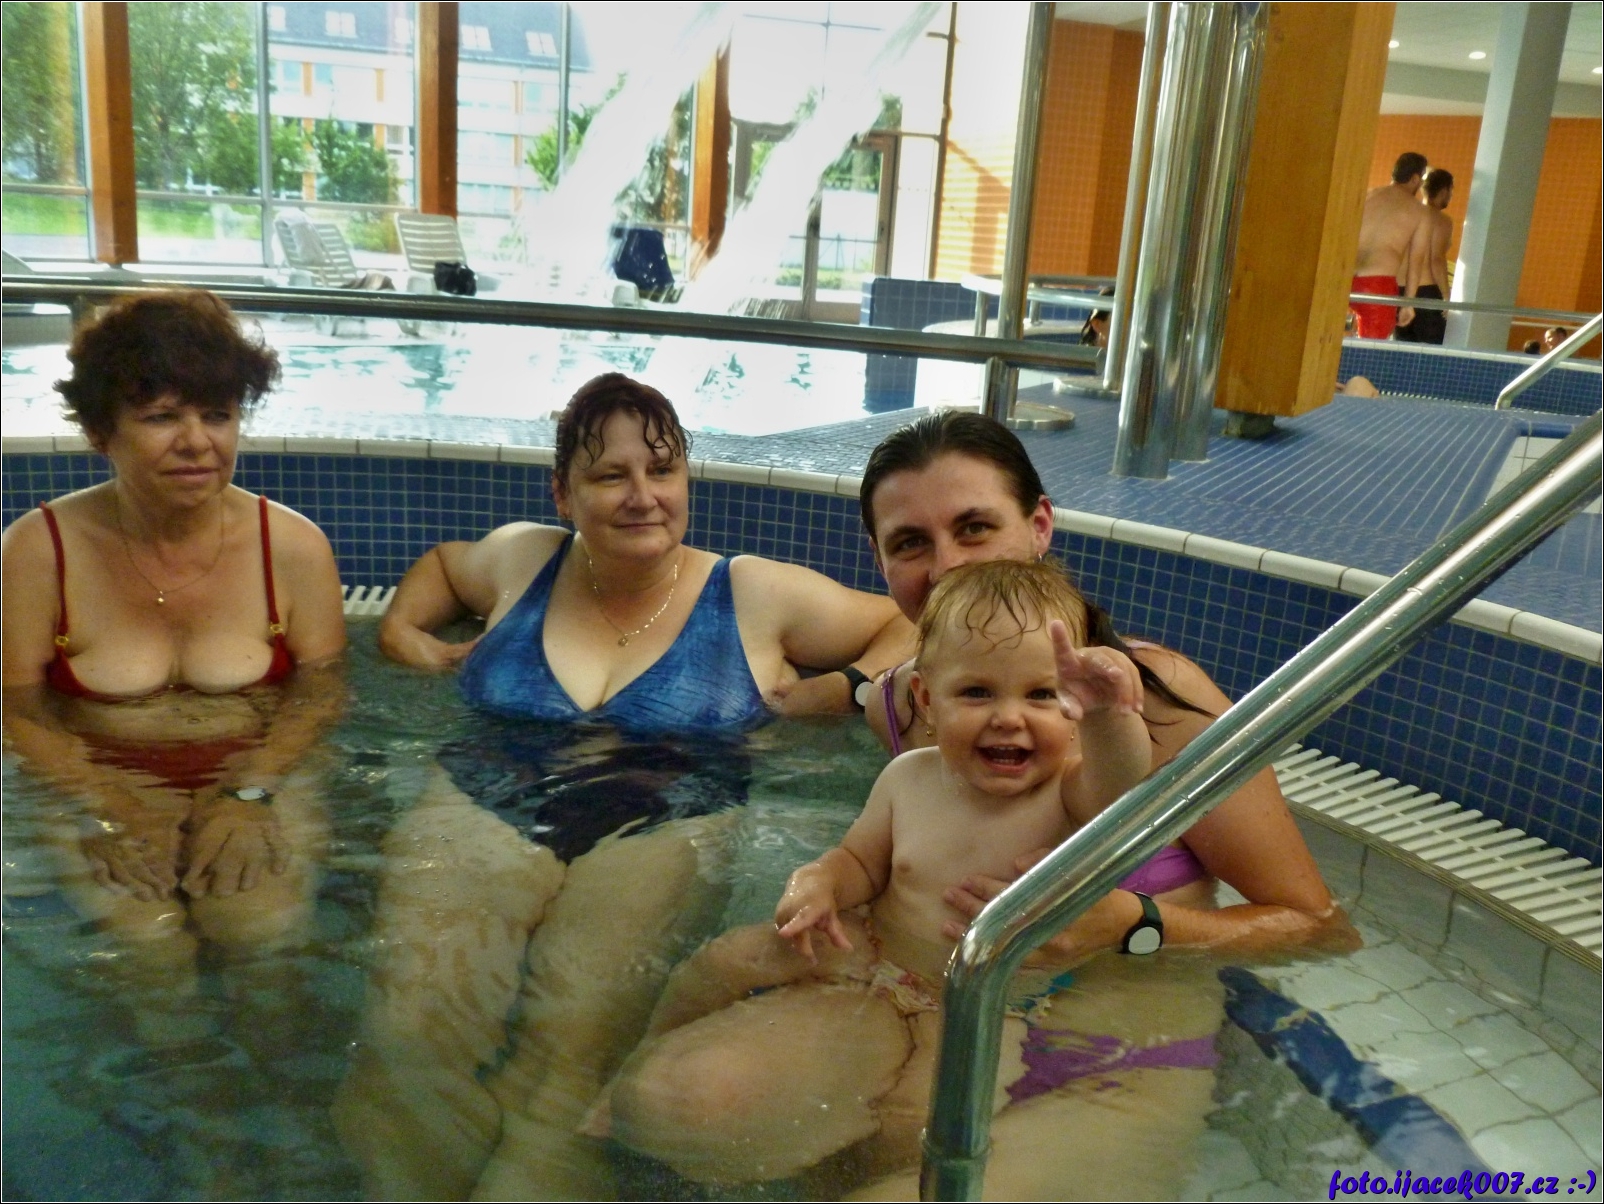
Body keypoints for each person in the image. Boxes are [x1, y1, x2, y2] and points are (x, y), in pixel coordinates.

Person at [595, 412, 1357, 1197]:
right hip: (911, 1001)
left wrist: (1131, 924)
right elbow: (901, 836)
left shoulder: (1152, 703)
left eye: (974, 528)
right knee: (673, 1106)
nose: (947, 566)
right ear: (881, 563)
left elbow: (1318, 927)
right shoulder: (901, 702)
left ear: (1039, 526)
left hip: (1111, 1048)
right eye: (910, 543)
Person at [331, 373, 916, 1199]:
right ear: (563, 492)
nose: (643, 496)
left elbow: (906, 620)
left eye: (663, 470)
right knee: (408, 1025)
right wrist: (401, 628)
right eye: (611, 476)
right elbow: (444, 567)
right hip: (486, 796)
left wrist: (845, 688)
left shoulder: (749, 593)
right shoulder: (525, 559)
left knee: (568, 1047)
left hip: (669, 813)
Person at [593, 561, 1156, 1186]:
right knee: (724, 960)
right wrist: (820, 884)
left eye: (1042, 695)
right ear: (927, 700)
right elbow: (860, 861)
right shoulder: (908, 778)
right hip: (873, 955)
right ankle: (631, 1067)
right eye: (977, 692)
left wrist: (1112, 715)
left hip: (982, 1005)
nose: (1008, 717)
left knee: (915, 1128)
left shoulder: (1069, 796)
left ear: (1074, 708)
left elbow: (1122, 781)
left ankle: (841, 1185)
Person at [1, 290, 346, 1053]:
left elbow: (321, 692)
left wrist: (250, 792)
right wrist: (109, 805)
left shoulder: (292, 546)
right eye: (162, 417)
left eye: (217, 415)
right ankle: (199, 1109)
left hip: (254, 770)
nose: (197, 442)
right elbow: (18, 708)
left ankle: (280, 1086)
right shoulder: (38, 549)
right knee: (150, 946)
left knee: (264, 936)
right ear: (101, 431)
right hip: (100, 772)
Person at [1352, 152, 1431, 339]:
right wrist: (1408, 304)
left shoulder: (1367, 195)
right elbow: (1415, 263)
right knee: (1370, 349)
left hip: (1342, 275)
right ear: (1415, 178)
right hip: (1376, 285)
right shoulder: (1420, 212)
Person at [1397, 167, 1453, 345]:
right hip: (1426, 292)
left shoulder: (1408, 213)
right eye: (1450, 192)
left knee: (1402, 348)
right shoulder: (1441, 220)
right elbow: (1436, 259)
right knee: (1431, 349)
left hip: (1401, 290)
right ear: (1444, 191)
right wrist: (1447, 296)